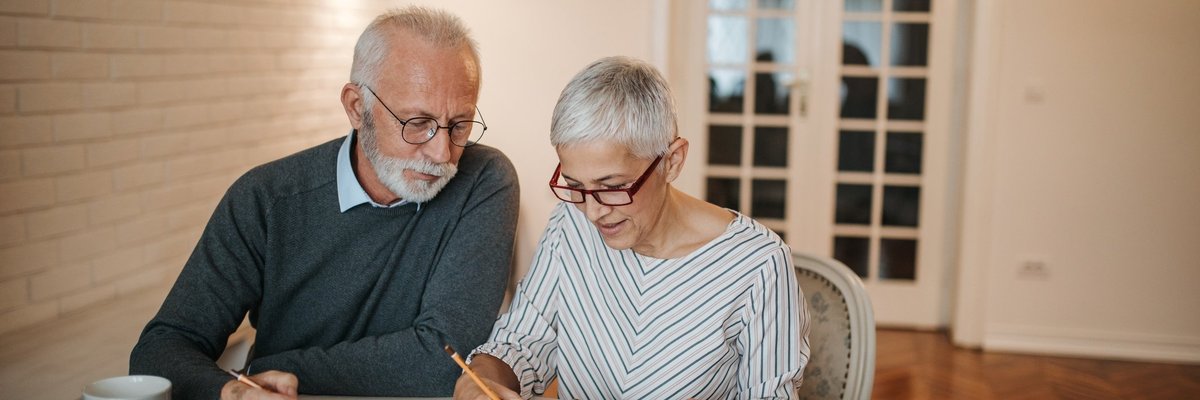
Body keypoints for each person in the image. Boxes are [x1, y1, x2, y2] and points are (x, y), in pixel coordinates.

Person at [129, 6, 519, 400]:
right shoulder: (265, 199)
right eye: (416, 123)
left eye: (460, 124)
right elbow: (160, 350)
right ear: (355, 107)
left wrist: (267, 368)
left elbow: (445, 362)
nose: (441, 152)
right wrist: (232, 391)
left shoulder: (483, 179)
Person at [454, 56, 809, 400]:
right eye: (576, 185)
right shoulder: (570, 224)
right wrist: (480, 379)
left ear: (672, 162)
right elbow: (520, 343)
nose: (592, 212)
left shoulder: (758, 265)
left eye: (612, 187)